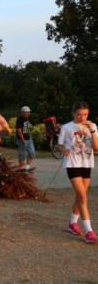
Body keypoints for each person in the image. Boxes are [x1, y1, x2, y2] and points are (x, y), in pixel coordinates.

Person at [58, 101, 98, 243]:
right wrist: (64, 150)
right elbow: (60, 144)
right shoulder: (67, 127)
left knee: (81, 195)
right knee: (82, 196)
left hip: (86, 163)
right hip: (72, 164)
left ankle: (72, 223)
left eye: (85, 114)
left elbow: (96, 147)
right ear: (73, 113)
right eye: (79, 114)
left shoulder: (92, 127)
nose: (82, 117)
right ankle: (89, 231)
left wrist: (92, 129)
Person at [16, 106, 36, 170]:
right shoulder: (19, 119)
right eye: (26, 112)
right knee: (22, 155)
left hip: (29, 139)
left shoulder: (26, 118)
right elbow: (19, 131)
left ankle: (27, 167)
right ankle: (20, 168)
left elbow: (27, 128)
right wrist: (23, 140)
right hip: (22, 140)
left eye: (28, 112)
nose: (28, 113)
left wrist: (30, 136)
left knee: (32, 153)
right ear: (22, 112)